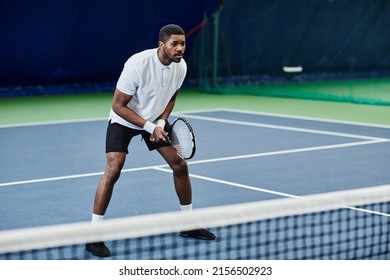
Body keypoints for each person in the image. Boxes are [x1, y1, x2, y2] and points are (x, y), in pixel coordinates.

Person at [86, 24, 215, 257]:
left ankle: (188, 223)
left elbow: (172, 97)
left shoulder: (180, 66)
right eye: (174, 44)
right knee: (113, 170)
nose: (180, 48)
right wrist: (148, 126)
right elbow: (118, 105)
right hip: (125, 120)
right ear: (161, 45)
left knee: (180, 165)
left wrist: (162, 123)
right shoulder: (137, 64)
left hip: (155, 121)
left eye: (183, 43)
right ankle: (93, 236)